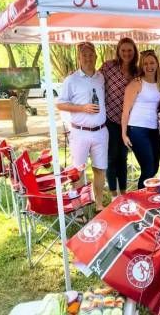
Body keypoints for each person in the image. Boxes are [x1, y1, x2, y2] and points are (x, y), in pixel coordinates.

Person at [57, 42, 107, 212]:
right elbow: (60, 104)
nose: (88, 58)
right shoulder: (71, 80)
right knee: (78, 171)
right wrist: (82, 108)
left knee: (100, 169)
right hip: (80, 132)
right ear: (78, 58)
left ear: (96, 57)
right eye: (84, 55)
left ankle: (99, 204)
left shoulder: (101, 77)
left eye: (91, 54)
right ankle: (78, 208)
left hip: (101, 131)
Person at [99, 38, 139, 200]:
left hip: (127, 120)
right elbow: (95, 82)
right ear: (118, 51)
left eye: (130, 50)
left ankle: (123, 192)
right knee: (111, 156)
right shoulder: (108, 66)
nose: (126, 53)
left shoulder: (137, 72)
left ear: (134, 52)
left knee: (122, 156)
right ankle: (113, 193)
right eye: (123, 50)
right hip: (109, 118)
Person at [121, 50, 160, 189]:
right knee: (148, 169)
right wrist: (124, 134)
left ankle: (146, 195)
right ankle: (142, 199)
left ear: (157, 63)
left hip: (153, 129)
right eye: (145, 63)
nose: (149, 66)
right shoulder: (136, 83)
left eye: (152, 63)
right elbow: (125, 111)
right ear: (141, 66)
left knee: (155, 167)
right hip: (137, 129)